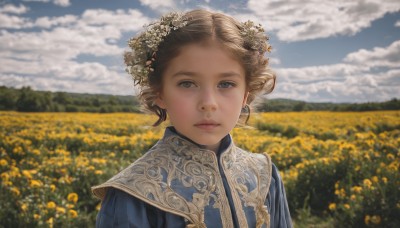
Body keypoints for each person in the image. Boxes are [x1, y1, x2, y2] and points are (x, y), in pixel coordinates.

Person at [92, 9, 292, 228]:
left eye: (226, 84)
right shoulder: (132, 194)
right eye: (187, 83)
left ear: (245, 94)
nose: (209, 103)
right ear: (160, 93)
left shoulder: (265, 175)